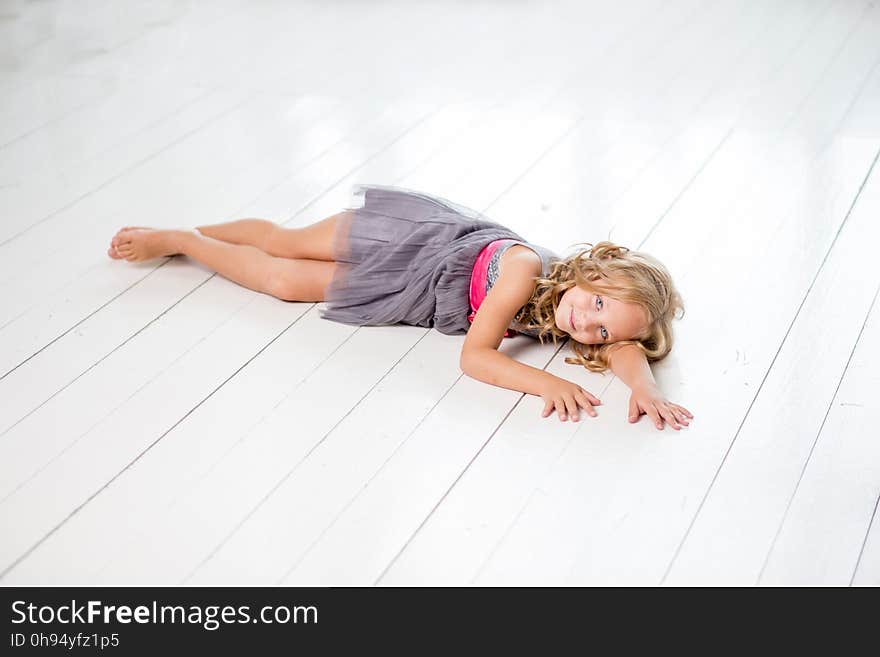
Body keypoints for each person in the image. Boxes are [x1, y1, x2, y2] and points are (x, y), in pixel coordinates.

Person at [108, 184, 693, 429]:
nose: (582, 323)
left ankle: (188, 243)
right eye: (594, 303)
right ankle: (184, 236)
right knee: (285, 243)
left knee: (284, 283)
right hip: (406, 241)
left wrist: (645, 389)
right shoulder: (524, 273)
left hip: (410, 291)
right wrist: (542, 385)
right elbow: (476, 357)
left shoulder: (584, 318)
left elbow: (623, 344)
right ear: (591, 272)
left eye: (595, 328)